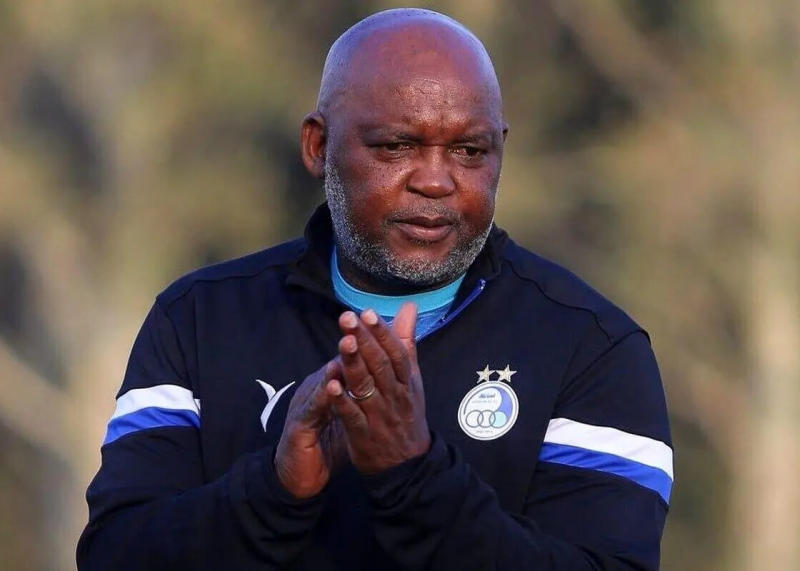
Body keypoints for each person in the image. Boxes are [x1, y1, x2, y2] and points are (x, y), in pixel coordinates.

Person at [77, 8, 673, 571]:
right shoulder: (201, 319)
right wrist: (275, 489)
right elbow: (113, 554)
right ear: (318, 146)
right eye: (396, 146)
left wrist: (414, 477)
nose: (436, 181)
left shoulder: (592, 348)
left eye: (470, 151)